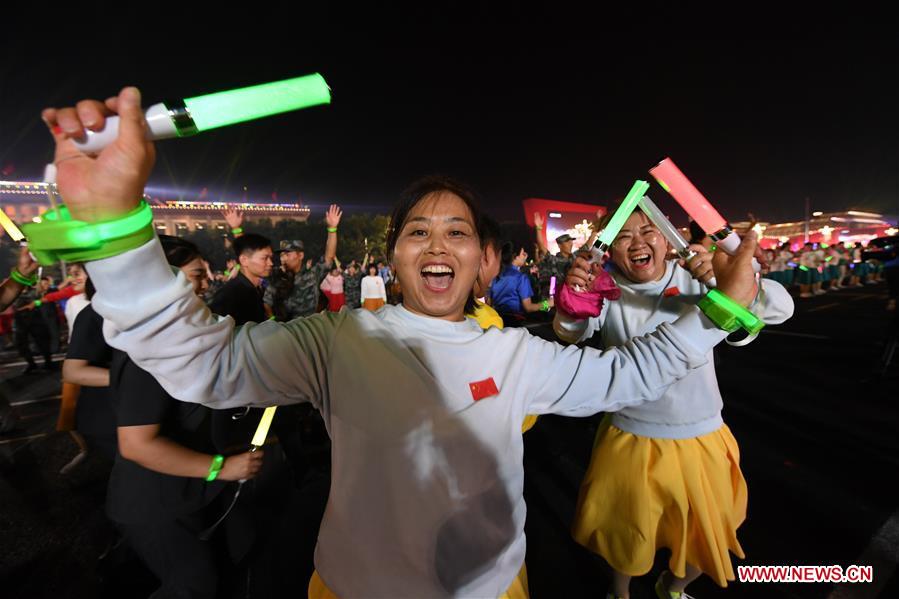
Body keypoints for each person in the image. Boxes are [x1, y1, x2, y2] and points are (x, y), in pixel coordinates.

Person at [45, 87, 760, 598]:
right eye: (418, 230)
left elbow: (629, 374)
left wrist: (718, 310)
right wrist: (115, 228)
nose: (437, 243)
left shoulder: (517, 355)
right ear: (393, 258)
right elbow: (202, 362)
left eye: (457, 232)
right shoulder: (337, 339)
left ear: (483, 262)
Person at [554, 208, 794, 599]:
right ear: (609, 249)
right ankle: (620, 593)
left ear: (668, 238)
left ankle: (672, 587)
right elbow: (570, 332)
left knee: (709, 534)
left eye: (648, 230)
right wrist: (573, 301)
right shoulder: (606, 287)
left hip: (703, 434)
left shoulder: (695, 276)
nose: (637, 242)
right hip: (629, 436)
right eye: (623, 236)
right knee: (626, 537)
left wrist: (727, 281)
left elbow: (782, 308)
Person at [107, 235, 263, 599]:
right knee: (194, 585)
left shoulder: (177, 339)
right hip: (154, 502)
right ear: (163, 282)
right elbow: (136, 444)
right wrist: (221, 468)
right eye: (196, 276)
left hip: (184, 491)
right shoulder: (148, 351)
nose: (207, 284)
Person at [265, 209, 341, 321]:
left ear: (300, 255)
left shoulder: (313, 274)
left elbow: (329, 258)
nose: (283, 258)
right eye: (281, 255)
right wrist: (274, 323)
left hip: (310, 327)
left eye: (287, 254)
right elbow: (266, 304)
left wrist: (332, 229)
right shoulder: (277, 278)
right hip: (287, 329)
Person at [489, 243, 553, 327]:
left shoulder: (495, 274)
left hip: (496, 319)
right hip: (515, 321)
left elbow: (488, 302)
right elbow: (528, 307)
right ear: (515, 256)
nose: (525, 256)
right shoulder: (520, 277)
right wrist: (547, 304)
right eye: (523, 254)